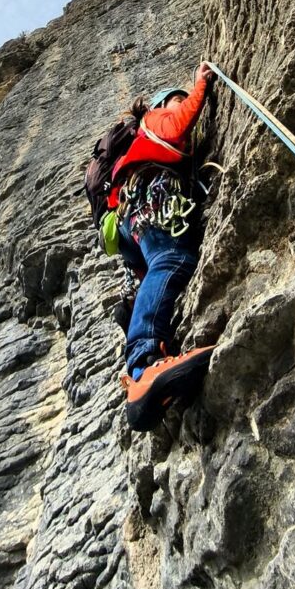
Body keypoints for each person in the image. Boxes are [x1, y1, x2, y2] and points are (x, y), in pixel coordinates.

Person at [110, 61, 217, 431]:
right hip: (153, 197)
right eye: (177, 99)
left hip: (137, 213)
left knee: (166, 262)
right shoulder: (156, 119)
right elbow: (177, 124)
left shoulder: (139, 150)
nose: (181, 103)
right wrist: (199, 85)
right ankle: (142, 366)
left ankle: (150, 365)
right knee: (172, 260)